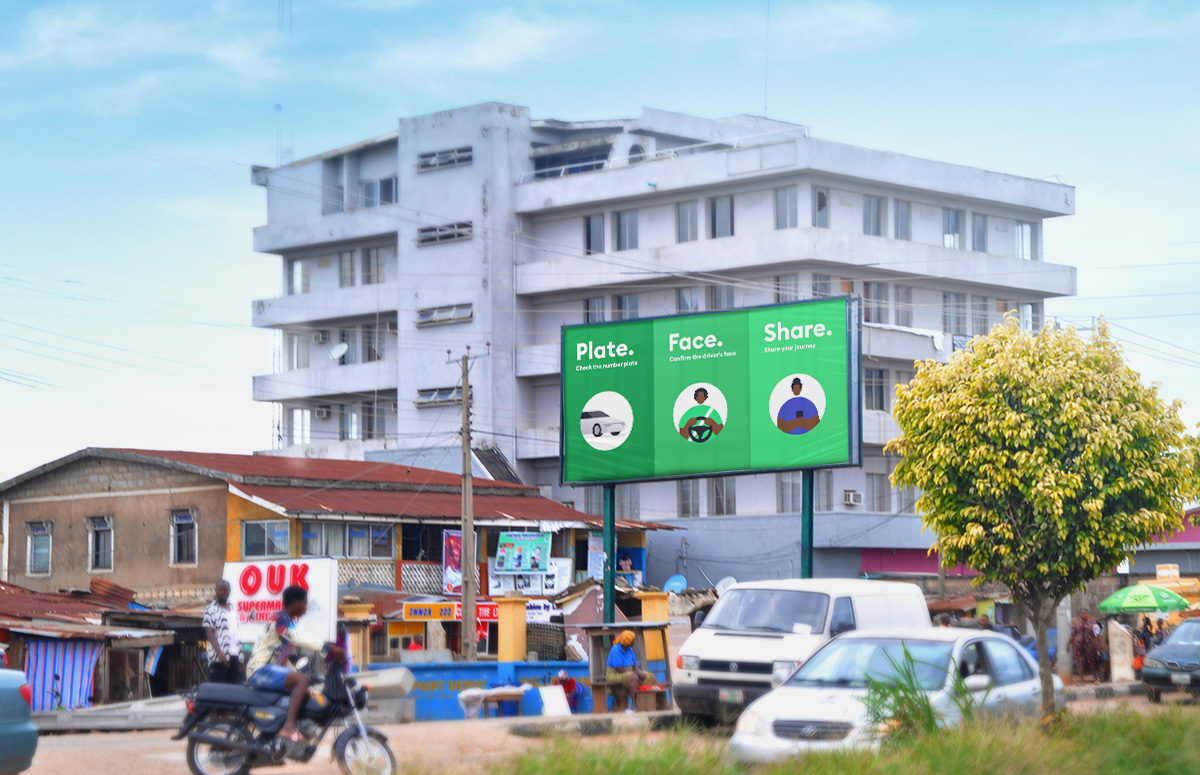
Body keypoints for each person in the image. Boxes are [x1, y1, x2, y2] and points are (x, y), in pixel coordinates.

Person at [245, 585, 342, 744]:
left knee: (304, 682)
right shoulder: (281, 618)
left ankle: (277, 735)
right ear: (295, 602)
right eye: (304, 603)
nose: (306, 607)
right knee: (302, 681)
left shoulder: (283, 620)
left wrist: (304, 669)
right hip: (260, 670)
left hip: (267, 670)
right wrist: (328, 647)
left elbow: (287, 654)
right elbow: (297, 637)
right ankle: (288, 726)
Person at [202, 580, 241, 684]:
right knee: (218, 691)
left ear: (229, 591)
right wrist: (219, 652)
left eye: (225, 590)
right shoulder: (210, 610)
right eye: (220, 590)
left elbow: (236, 632)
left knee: (232, 692)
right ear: (216, 591)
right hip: (219, 658)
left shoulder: (233, 609)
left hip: (234, 655)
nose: (222, 592)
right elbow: (209, 633)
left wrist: (240, 656)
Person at [606, 630, 651, 712]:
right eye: (633, 640)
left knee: (648, 676)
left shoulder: (629, 649)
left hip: (628, 672)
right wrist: (635, 673)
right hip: (615, 674)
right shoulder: (615, 650)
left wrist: (639, 672)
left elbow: (635, 665)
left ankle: (647, 704)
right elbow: (619, 668)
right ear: (628, 641)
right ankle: (634, 704)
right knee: (633, 677)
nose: (634, 641)